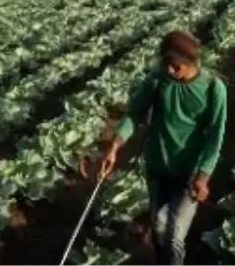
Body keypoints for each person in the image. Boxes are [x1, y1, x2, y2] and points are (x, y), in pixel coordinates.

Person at [94, 29, 227, 266]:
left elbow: (215, 136)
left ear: (192, 62)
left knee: (175, 235)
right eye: (167, 64)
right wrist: (114, 148)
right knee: (158, 227)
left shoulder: (213, 89)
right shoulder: (157, 81)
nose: (170, 71)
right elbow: (134, 115)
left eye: (176, 66)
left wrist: (204, 176)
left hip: (189, 172)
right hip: (157, 166)